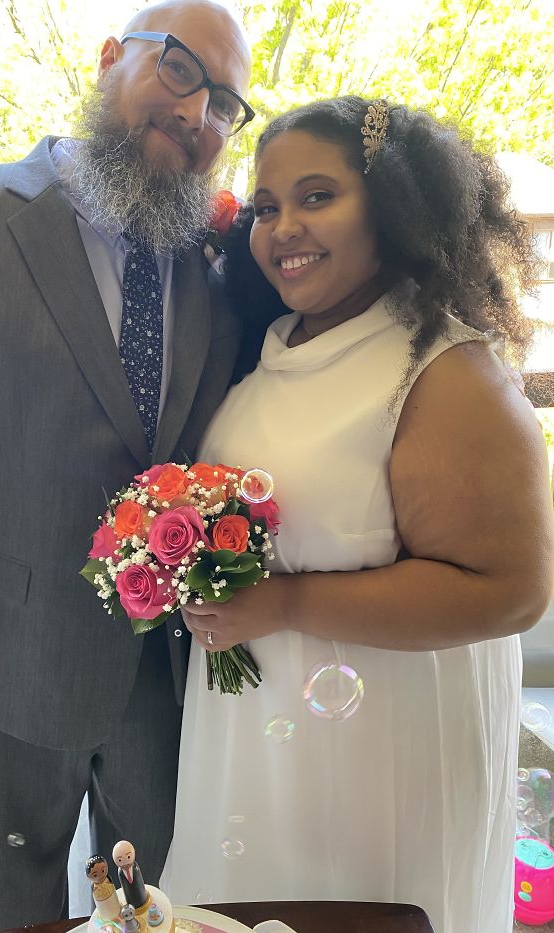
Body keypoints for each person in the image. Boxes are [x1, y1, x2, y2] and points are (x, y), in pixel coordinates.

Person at [0, 1, 252, 928]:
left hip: (165, 670)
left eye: (229, 103)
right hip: (5, 666)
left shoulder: (212, 258)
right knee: (17, 900)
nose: (201, 116)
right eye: (184, 71)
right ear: (113, 56)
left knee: (159, 900)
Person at [161, 97, 554, 933]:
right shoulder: (281, 344)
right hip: (257, 734)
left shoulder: (448, 372)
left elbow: (512, 591)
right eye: (266, 207)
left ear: (393, 206)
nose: (282, 227)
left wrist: (282, 603)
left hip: (381, 754)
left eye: (316, 196)